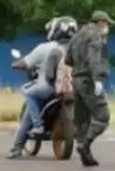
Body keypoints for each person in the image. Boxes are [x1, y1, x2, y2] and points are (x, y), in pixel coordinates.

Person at [6, 17, 73, 158]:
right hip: (72, 89)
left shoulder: (46, 48)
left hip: (50, 87)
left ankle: (21, 144)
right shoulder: (77, 49)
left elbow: (28, 64)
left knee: (30, 97)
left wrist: (15, 65)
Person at [64, 10, 115, 167]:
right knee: (102, 116)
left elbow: (67, 59)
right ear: (100, 22)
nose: (107, 28)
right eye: (106, 24)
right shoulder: (95, 36)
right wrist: (98, 79)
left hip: (77, 81)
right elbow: (94, 59)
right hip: (89, 81)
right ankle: (84, 144)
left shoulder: (77, 35)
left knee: (82, 120)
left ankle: (86, 156)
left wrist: (79, 69)